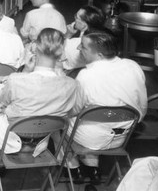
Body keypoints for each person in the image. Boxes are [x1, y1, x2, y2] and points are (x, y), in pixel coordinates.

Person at [63, 31, 147, 186]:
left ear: (99, 54)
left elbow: (74, 110)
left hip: (91, 138)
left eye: (83, 47)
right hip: (123, 135)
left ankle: (73, 166)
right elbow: (142, 106)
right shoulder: (132, 66)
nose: (78, 49)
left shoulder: (86, 75)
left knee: (58, 121)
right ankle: (92, 167)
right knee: (93, 119)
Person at [0, 28, 79, 151]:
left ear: (35, 48)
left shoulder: (16, 80)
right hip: (43, 137)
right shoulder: (72, 84)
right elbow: (70, 112)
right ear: (61, 52)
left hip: (11, 136)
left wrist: (25, 71)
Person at [63, 5, 106, 70]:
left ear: (84, 25)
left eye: (76, 17)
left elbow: (61, 58)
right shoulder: (101, 37)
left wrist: (67, 35)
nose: (74, 19)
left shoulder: (76, 45)